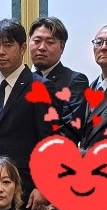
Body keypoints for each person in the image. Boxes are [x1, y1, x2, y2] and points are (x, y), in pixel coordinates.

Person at [0, 18, 49, 194]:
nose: (1, 52)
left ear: (23, 48)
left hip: (25, 186)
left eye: (8, 45)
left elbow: (47, 141)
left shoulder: (41, 87)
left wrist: (42, 186)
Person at [26, 15, 89, 157]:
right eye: (37, 41)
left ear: (62, 47)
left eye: (50, 42)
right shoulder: (22, 81)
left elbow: (69, 132)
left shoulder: (75, 81)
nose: (42, 47)